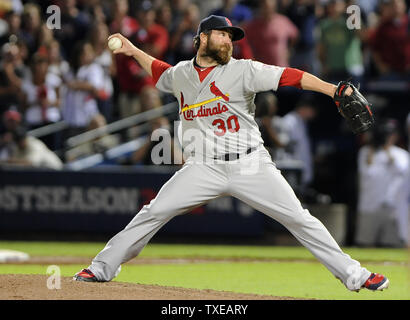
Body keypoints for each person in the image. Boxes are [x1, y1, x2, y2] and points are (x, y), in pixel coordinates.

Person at [73, 15, 389, 292]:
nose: (229, 40)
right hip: (203, 168)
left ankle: (355, 275)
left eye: (231, 37)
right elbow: (159, 72)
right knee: (153, 212)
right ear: (202, 39)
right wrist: (131, 50)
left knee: (299, 218)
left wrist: (332, 89)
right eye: (223, 34)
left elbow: (291, 76)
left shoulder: (244, 70)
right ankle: (101, 268)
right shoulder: (182, 74)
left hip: (250, 164)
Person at [355, 119, 409, 247]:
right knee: (365, 244)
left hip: (392, 207)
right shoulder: (366, 152)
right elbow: (367, 172)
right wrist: (373, 148)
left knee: (391, 244)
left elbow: (401, 170)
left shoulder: (401, 154)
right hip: (369, 206)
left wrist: (388, 150)